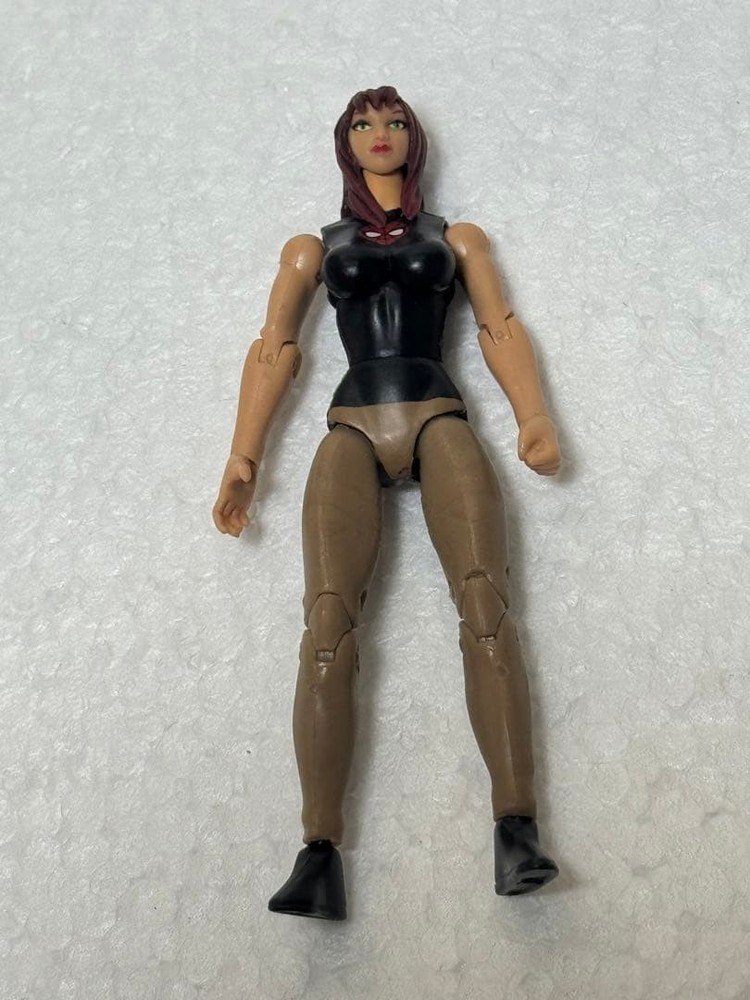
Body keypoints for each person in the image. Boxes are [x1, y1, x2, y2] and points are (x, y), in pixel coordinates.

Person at [213, 86, 561, 921]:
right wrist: (243, 454)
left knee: (487, 606)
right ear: (346, 142)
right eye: (364, 124)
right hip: (353, 421)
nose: (380, 133)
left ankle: (516, 829)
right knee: (327, 625)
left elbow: (500, 326)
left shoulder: (456, 237)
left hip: (437, 412)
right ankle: (317, 852)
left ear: (414, 138)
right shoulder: (315, 247)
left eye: (394, 121)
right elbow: (274, 347)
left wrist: (535, 416)